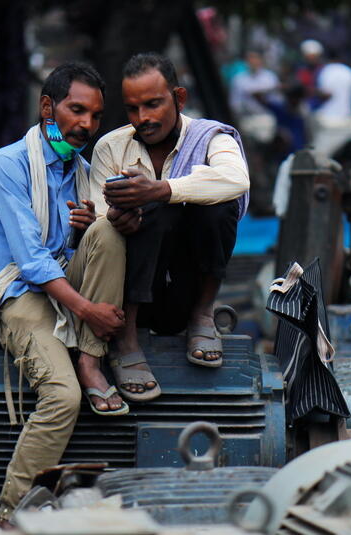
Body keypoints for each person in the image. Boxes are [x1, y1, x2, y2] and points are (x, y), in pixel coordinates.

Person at [0, 62, 128, 527]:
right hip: (20, 292)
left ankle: (89, 359)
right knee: (62, 398)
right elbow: (32, 260)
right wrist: (88, 311)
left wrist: (83, 233)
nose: (86, 125)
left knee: (108, 230)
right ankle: (10, 515)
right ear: (47, 107)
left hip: (62, 283)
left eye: (96, 117)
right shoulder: (9, 165)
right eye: (76, 110)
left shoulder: (80, 172)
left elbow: (80, 252)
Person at [89, 53, 249, 401]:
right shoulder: (110, 147)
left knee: (217, 204)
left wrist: (163, 189)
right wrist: (118, 219)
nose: (143, 118)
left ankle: (203, 315)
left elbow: (236, 179)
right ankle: (126, 339)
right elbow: (98, 222)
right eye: (133, 109)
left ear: (178, 98)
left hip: (185, 289)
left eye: (153, 104)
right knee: (151, 210)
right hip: (128, 295)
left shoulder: (211, 139)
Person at [229, 50, 280, 116]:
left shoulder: (270, 77)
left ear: (260, 60)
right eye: (250, 59)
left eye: (255, 58)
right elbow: (234, 102)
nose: (253, 61)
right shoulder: (238, 79)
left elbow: (277, 99)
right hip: (247, 118)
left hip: (268, 115)